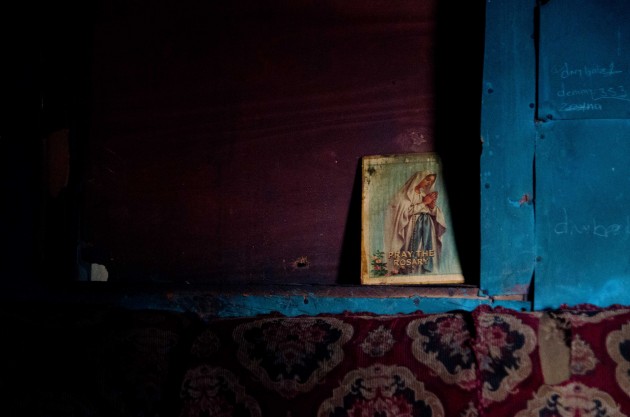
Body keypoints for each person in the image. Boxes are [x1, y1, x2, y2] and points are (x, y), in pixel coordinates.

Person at [383, 170, 447, 275]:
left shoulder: (423, 194)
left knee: (423, 248)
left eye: (431, 182)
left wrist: (431, 207)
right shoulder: (405, 195)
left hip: (426, 228)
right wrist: (424, 203)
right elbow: (405, 212)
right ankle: (408, 270)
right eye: (427, 179)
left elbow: (429, 210)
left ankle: (422, 272)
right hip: (411, 227)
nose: (428, 183)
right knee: (411, 248)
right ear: (419, 178)